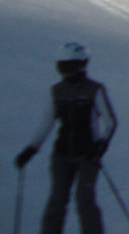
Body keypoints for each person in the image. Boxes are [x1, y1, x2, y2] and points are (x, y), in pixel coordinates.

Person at [15, 42, 117, 234]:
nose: (66, 73)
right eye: (62, 67)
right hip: (62, 155)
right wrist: (31, 149)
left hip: (88, 155)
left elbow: (111, 122)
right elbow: (46, 123)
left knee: (84, 198)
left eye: (70, 68)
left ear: (81, 66)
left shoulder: (94, 90)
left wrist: (100, 145)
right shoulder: (57, 91)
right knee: (57, 200)